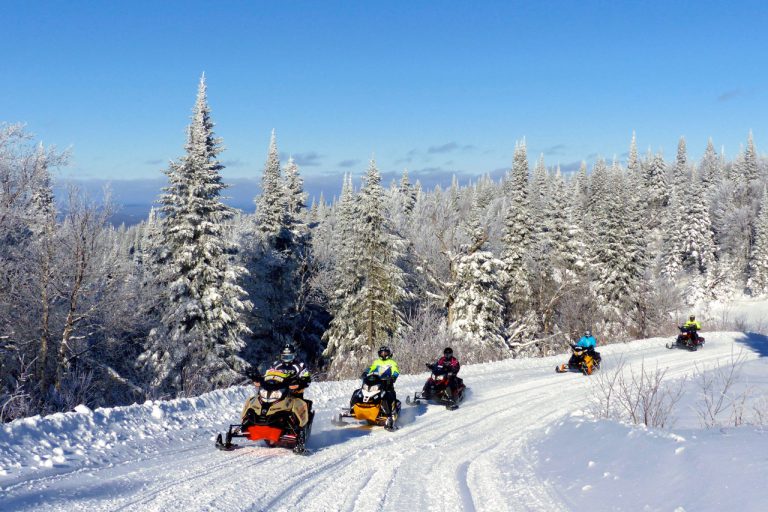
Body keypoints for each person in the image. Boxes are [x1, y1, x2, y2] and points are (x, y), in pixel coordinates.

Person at [256, 343, 312, 411]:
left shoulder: (300, 365)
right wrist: (260, 378)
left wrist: (301, 381)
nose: (286, 359)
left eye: (289, 357)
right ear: (281, 356)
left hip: (294, 392)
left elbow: (307, 377)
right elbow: (268, 374)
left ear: (294, 355)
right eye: (284, 357)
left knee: (297, 403)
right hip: (277, 390)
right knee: (260, 397)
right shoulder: (276, 365)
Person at [364, 346, 400, 425]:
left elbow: (396, 371)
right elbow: (371, 368)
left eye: (385, 352)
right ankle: (356, 409)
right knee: (363, 392)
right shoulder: (376, 362)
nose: (383, 354)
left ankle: (390, 414)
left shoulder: (392, 362)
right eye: (382, 353)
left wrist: (393, 377)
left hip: (387, 383)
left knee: (385, 395)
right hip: (376, 382)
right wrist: (365, 373)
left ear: (388, 353)